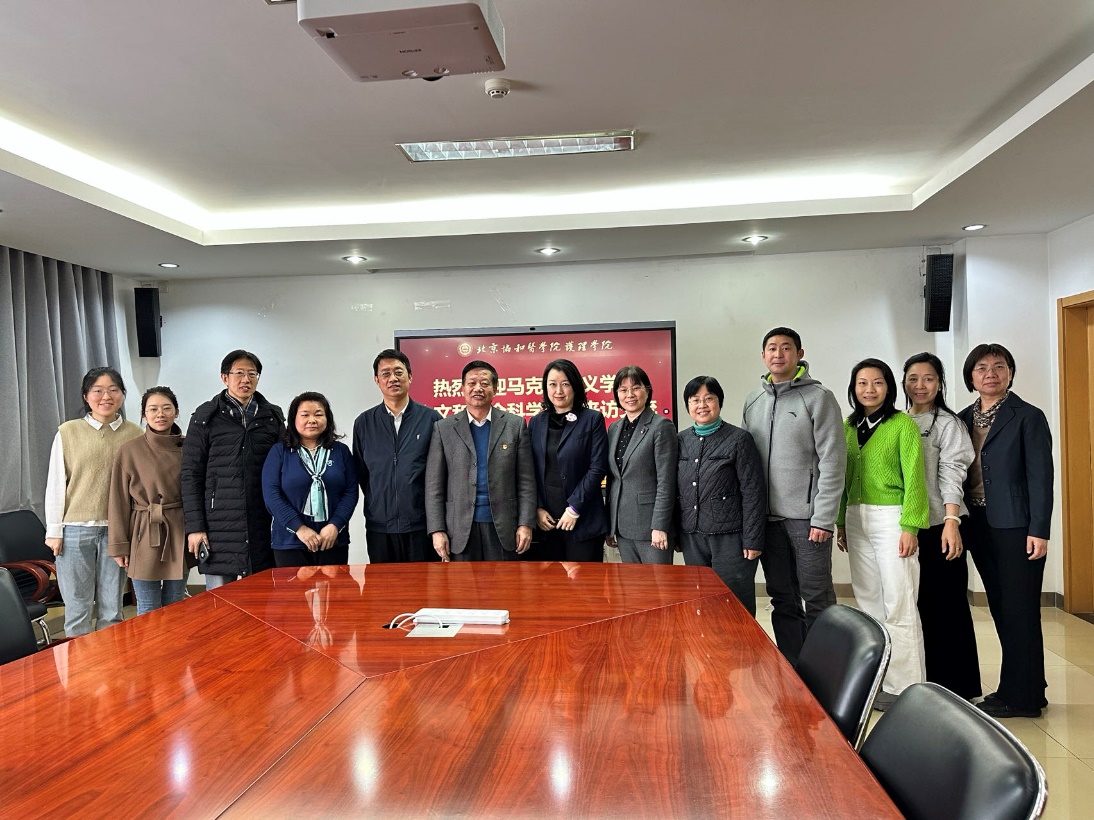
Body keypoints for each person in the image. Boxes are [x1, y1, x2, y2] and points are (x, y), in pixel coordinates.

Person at [958, 343, 1053, 719]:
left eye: (999, 366)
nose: (991, 374)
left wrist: (1040, 529)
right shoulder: (963, 418)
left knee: (1020, 609)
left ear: (1010, 373)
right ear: (971, 376)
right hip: (978, 524)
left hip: (1017, 527)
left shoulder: (1027, 416)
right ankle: (1028, 688)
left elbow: (1041, 478)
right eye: (982, 368)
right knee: (1001, 607)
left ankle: (1020, 697)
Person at [741, 327, 846, 664]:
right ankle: (793, 667)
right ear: (763, 355)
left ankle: (826, 671)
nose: (778, 354)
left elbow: (833, 461)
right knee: (782, 597)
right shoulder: (753, 401)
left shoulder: (819, 398)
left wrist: (824, 518)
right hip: (768, 521)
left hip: (808, 520)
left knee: (817, 597)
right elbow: (745, 465)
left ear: (799, 354)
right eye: (772, 348)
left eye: (786, 348)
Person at [835, 358, 929, 710]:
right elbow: (841, 478)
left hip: (892, 519)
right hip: (856, 518)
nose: (869, 389)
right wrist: (841, 521)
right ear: (853, 388)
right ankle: (878, 680)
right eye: (862, 383)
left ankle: (907, 689)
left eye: (877, 382)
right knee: (869, 602)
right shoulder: (847, 426)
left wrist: (910, 526)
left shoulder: (902, 425)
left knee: (899, 601)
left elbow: (915, 478)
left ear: (889, 387)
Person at [902, 353, 981, 699]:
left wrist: (951, 521)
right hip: (910, 527)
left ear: (940, 383)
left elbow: (953, 472)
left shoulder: (948, 424)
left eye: (929, 378)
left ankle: (958, 688)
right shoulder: (900, 420)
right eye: (913, 378)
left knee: (947, 606)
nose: (920, 385)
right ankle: (926, 682)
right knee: (917, 605)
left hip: (940, 525)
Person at [44, 366, 143, 636]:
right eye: (98, 391)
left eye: (113, 390)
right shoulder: (68, 432)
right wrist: (54, 531)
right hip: (74, 531)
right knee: (77, 609)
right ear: (86, 396)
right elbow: (56, 483)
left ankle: (109, 662)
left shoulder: (135, 434)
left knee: (112, 610)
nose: (106, 397)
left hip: (117, 531)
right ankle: (78, 664)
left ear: (122, 394)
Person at [181, 350, 284, 588]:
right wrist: (195, 527)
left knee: (260, 598)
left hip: (261, 521)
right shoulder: (205, 417)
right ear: (224, 377)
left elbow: (282, 469)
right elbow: (190, 475)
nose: (246, 379)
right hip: (218, 526)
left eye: (252, 374)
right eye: (239, 373)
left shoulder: (272, 417)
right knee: (219, 602)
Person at [425, 360, 537, 561]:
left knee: (505, 582)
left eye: (484, 383)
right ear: (462, 388)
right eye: (472, 383)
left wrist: (526, 524)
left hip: (504, 528)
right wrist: (437, 530)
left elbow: (526, 481)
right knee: (463, 583)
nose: (478, 388)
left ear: (495, 389)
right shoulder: (444, 428)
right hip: (459, 529)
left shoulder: (515, 425)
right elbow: (434, 485)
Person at [677, 376, 766, 615]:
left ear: (719, 402)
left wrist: (753, 539)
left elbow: (753, 491)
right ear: (687, 405)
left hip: (731, 538)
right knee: (701, 601)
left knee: (734, 603)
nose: (702, 405)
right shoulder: (681, 440)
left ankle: (742, 641)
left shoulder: (739, 439)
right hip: (693, 536)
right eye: (695, 400)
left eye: (709, 398)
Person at [352, 349, 441, 563]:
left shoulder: (431, 419)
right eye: (385, 373)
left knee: (424, 583)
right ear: (377, 380)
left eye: (398, 372)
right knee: (383, 583)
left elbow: (439, 473)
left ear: (410, 376)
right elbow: (362, 473)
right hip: (379, 527)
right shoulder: (364, 423)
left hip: (421, 526)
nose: (392, 378)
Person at [107, 386, 188, 615]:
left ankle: (173, 641)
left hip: (178, 530)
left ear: (176, 412)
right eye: (153, 409)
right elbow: (118, 502)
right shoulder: (130, 450)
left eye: (166, 408)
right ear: (144, 414)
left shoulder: (190, 447)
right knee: (148, 608)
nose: (160, 414)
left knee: (176, 603)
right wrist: (119, 546)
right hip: (143, 531)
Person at [262, 392, 358, 567]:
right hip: (290, 541)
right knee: (293, 587)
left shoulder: (341, 451)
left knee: (335, 586)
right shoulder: (279, 452)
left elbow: (351, 492)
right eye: (305, 415)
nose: (312, 420)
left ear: (327, 419)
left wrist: (335, 525)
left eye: (318, 414)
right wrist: (299, 528)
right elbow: (271, 495)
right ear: (294, 419)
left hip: (332, 540)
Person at [528, 359, 610, 562]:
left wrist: (574, 509)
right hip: (546, 523)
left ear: (575, 386)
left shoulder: (592, 419)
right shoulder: (536, 422)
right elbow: (528, 470)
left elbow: (597, 467)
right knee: (550, 581)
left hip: (583, 520)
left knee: (584, 581)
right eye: (552, 384)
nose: (559, 391)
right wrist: (537, 508)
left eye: (565, 384)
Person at [605, 365, 679, 564]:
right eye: (623, 389)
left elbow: (667, 482)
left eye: (636, 388)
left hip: (651, 528)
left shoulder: (661, 426)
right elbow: (614, 479)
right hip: (622, 527)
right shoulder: (614, 428)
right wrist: (611, 526)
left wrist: (660, 526)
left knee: (659, 583)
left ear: (647, 390)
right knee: (632, 583)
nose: (629, 394)